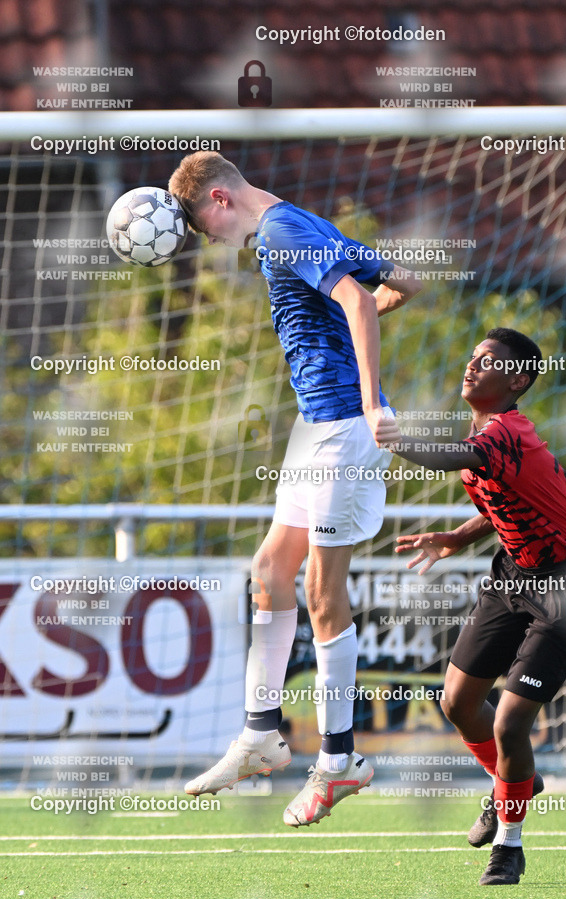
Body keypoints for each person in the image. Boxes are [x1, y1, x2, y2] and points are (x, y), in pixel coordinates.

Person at [168, 152, 421, 826]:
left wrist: (369, 402)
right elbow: (403, 281)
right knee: (269, 571)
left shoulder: (281, 232)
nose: (209, 241)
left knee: (318, 590)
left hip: (343, 425)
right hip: (318, 426)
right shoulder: (299, 224)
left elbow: (360, 298)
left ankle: (338, 761)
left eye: (201, 227)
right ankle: (259, 737)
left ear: (219, 199)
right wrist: (344, 338)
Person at [374, 327, 566, 884]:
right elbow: (510, 500)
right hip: (513, 577)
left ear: (518, 380)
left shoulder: (508, 432)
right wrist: (456, 537)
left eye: (489, 361)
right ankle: (518, 782)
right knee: (457, 703)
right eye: (473, 356)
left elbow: (452, 456)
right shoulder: (488, 432)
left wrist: (394, 437)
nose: (472, 366)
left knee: (509, 723)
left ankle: (509, 844)